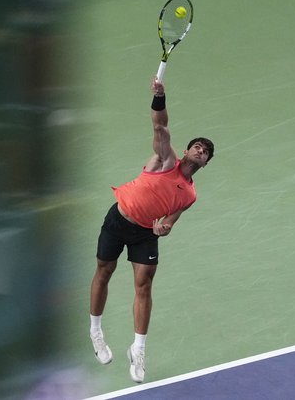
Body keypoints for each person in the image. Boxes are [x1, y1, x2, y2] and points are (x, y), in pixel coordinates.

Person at [88, 77, 214, 383]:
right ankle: (95, 330)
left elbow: (171, 219)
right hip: (118, 220)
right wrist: (160, 96)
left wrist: (164, 229)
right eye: (197, 146)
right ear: (186, 151)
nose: (200, 151)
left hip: (145, 233)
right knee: (104, 271)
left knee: (144, 287)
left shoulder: (190, 195)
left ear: (206, 163)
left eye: (205, 152)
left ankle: (139, 349)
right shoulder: (165, 158)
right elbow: (160, 127)